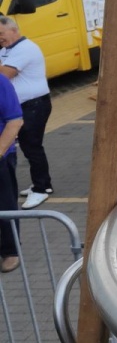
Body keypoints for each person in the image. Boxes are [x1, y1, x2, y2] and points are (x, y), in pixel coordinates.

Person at [0, 17, 53, 209]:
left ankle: (41, 188)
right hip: (24, 105)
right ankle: (41, 183)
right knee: (27, 145)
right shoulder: (7, 49)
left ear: (14, 30)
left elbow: (4, 75)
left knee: (32, 146)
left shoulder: (25, 48)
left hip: (34, 105)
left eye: (1, 34)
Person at [0, 74, 23, 273]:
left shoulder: (1, 82)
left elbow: (15, 121)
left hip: (2, 156)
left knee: (5, 204)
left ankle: (11, 251)